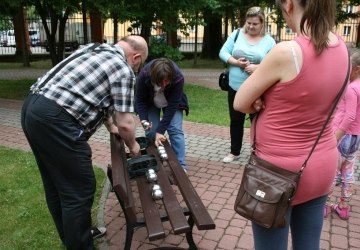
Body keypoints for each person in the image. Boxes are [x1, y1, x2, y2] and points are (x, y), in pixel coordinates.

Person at [233, 0, 348, 249]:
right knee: (308, 244)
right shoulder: (342, 48)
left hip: (277, 175)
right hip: (322, 164)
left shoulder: (288, 52)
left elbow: (241, 102)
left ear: (288, 4)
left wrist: (259, 99)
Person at [21, 35, 148, 250]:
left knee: (56, 184)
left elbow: (93, 94)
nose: (137, 68)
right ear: (136, 57)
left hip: (32, 109)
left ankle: (72, 239)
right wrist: (134, 147)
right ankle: (80, 245)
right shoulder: (122, 68)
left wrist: (110, 127)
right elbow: (126, 123)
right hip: (56, 120)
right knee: (79, 189)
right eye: (140, 64)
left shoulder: (93, 49)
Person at [219, 6, 275, 163]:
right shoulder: (237, 34)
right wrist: (236, 62)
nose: (251, 26)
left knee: (257, 121)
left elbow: (274, 63)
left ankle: (258, 152)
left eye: (255, 24)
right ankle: (234, 151)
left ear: (262, 23)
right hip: (235, 87)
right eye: (248, 22)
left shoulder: (269, 41)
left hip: (257, 88)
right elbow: (223, 53)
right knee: (235, 119)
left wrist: (257, 67)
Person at [324, 47, 360, 220]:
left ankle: (324, 206)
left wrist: (335, 137)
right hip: (355, 137)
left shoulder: (352, 89)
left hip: (343, 136)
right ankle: (343, 207)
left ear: (356, 68)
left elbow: (350, 115)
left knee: (332, 171)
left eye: (348, 67)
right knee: (348, 172)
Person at [135, 58, 189, 171]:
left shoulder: (178, 77)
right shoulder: (144, 75)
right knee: (151, 131)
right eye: (161, 81)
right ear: (154, 78)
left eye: (167, 81)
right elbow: (139, 99)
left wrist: (161, 131)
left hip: (171, 103)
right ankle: (155, 161)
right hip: (151, 102)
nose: (165, 84)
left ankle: (180, 166)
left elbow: (173, 106)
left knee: (175, 129)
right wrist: (144, 120)